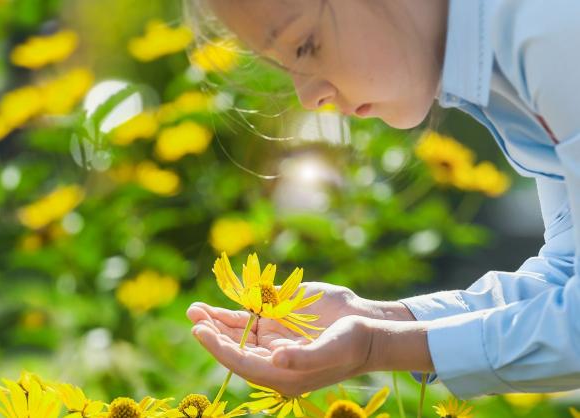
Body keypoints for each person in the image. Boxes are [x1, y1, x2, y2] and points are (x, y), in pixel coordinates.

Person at [185, 0, 580, 399]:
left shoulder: (549, 30)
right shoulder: (501, 59)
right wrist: (376, 319)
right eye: (283, 66)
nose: (309, 97)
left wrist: (379, 347)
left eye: (305, 46)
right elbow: (569, 275)